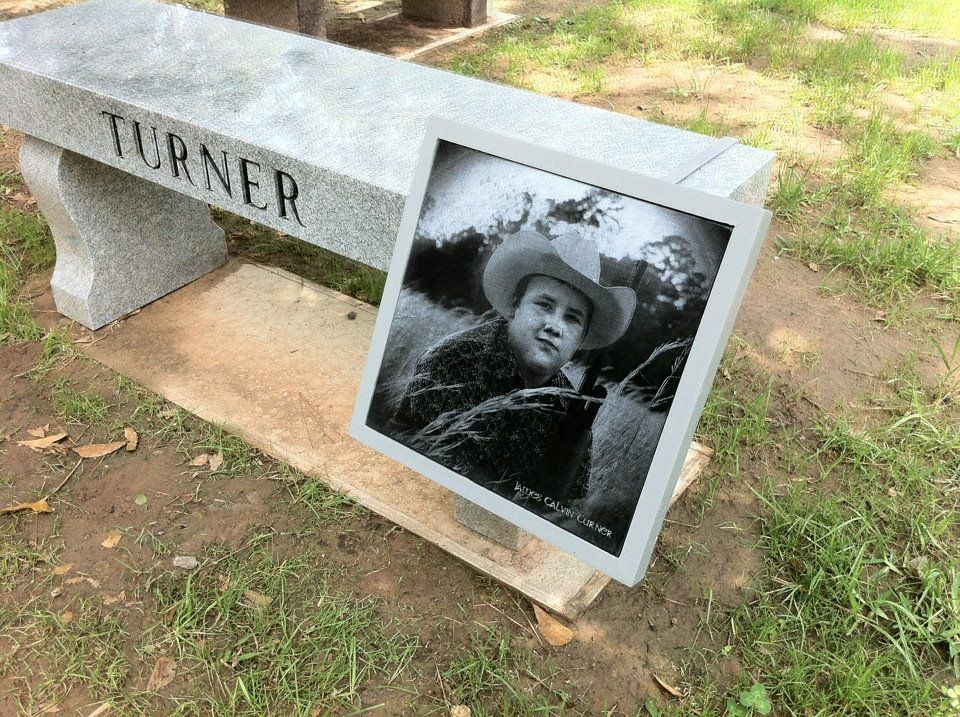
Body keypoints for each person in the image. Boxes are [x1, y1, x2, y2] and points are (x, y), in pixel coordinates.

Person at [390, 229, 637, 503]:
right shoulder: (455, 359)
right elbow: (408, 466)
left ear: (581, 338)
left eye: (572, 318)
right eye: (544, 305)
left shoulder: (571, 409)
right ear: (513, 307)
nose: (555, 326)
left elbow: (567, 509)